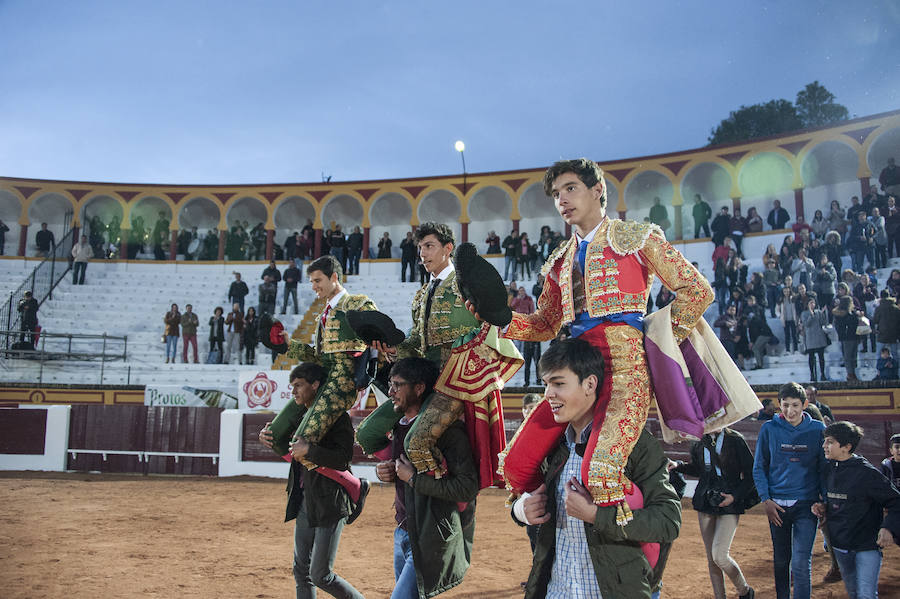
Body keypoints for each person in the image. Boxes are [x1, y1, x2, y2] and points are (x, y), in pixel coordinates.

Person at [500, 158, 713, 514]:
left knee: (600, 475)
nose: (562, 200)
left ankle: (644, 546)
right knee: (514, 467)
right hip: (574, 369)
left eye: (570, 189)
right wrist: (500, 320)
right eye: (556, 194)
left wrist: (658, 341)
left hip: (626, 369)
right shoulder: (560, 260)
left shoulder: (636, 237)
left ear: (598, 190)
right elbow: (546, 324)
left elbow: (696, 290)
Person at [511, 339, 681, 598]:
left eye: (558, 384)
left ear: (590, 384)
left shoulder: (633, 444)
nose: (548, 394)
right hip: (557, 590)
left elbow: (668, 520)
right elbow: (521, 499)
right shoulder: (550, 445)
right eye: (546, 384)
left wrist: (595, 515)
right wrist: (521, 510)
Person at [363, 357, 479, 599]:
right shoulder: (400, 426)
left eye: (397, 385)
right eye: (390, 384)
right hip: (404, 529)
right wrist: (386, 472)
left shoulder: (449, 433)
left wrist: (413, 479)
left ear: (419, 388)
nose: (391, 392)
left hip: (432, 534)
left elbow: (466, 488)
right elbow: (403, 472)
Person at [258, 363, 365, 599]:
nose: (294, 391)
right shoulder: (301, 417)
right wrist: (267, 436)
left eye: (299, 386)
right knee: (301, 571)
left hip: (331, 502)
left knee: (320, 575)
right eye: (292, 386)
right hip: (305, 499)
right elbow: (287, 448)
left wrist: (311, 450)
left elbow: (343, 459)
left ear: (316, 385)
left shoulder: (338, 418)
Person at [276, 255, 374, 508]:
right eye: (311, 282)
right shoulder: (324, 313)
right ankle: (342, 486)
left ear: (334, 278)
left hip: (341, 385)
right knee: (274, 435)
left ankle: (352, 486)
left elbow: (378, 343)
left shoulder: (358, 303)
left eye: (318, 280)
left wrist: (364, 378)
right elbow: (318, 357)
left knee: (302, 443)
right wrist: (290, 345)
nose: (314, 286)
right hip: (320, 383)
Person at [752, 382, 826, 599]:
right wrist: (766, 499)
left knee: (802, 562)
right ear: (779, 404)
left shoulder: (818, 430)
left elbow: (823, 469)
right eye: (785, 405)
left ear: (805, 404)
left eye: (795, 405)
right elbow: (759, 467)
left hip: (807, 504)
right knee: (781, 560)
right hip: (776, 506)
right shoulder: (768, 428)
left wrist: (824, 501)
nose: (790, 411)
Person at [813, 421, 900, 599]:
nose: (824, 446)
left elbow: (896, 501)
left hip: (866, 546)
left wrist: (888, 527)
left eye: (829, 441)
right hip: (840, 545)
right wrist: (823, 507)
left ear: (846, 446)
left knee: (866, 595)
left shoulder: (867, 473)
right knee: (853, 593)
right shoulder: (828, 469)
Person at [673, 428, 758, 599]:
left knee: (720, 555)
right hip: (705, 501)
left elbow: (751, 474)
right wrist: (679, 466)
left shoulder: (735, 439)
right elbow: (699, 469)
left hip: (729, 502)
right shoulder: (698, 440)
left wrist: (734, 497)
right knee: (712, 559)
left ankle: (745, 591)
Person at [833, 295, 860, 381]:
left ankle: (852, 373)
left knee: (851, 356)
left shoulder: (839, 315)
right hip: (849, 337)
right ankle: (850, 374)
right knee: (849, 356)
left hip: (846, 337)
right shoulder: (846, 315)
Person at [800, 299, 829, 382]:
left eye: (813, 303)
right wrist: (811, 315)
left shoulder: (818, 312)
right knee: (811, 357)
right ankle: (812, 375)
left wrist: (823, 314)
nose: (812, 305)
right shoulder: (804, 313)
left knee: (821, 357)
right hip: (810, 338)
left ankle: (823, 374)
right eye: (810, 303)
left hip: (819, 337)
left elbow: (823, 322)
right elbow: (806, 324)